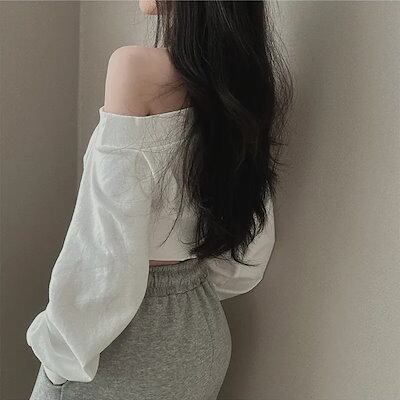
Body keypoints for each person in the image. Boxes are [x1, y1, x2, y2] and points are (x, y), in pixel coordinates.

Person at [26, 1, 293, 399]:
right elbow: (251, 245)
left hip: (125, 342)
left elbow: (107, 246)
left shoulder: (135, 69)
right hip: (202, 328)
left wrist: (57, 359)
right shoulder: (243, 78)